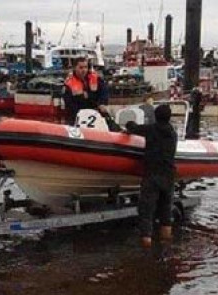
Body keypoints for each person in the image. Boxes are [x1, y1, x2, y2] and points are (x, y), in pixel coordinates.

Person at [123, 105, 177, 248]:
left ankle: (146, 249)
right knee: (166, 215)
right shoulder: (172, 133)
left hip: (152, 175)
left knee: (146, 212)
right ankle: (166, 245)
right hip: (169, 176)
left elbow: (133, 127)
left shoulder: (151, 130)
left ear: (155, 116)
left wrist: (128, 124)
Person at [62, 57, 113, 127]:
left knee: (110, 123)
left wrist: (102, 103)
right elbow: (69, 103)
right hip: (78, 114)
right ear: (74, 68)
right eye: (81, 67)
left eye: (85, 67)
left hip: (96, 111)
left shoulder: (95, 78)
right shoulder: (69, 83)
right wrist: (79, 113)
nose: (84, 70)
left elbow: (104, 91)